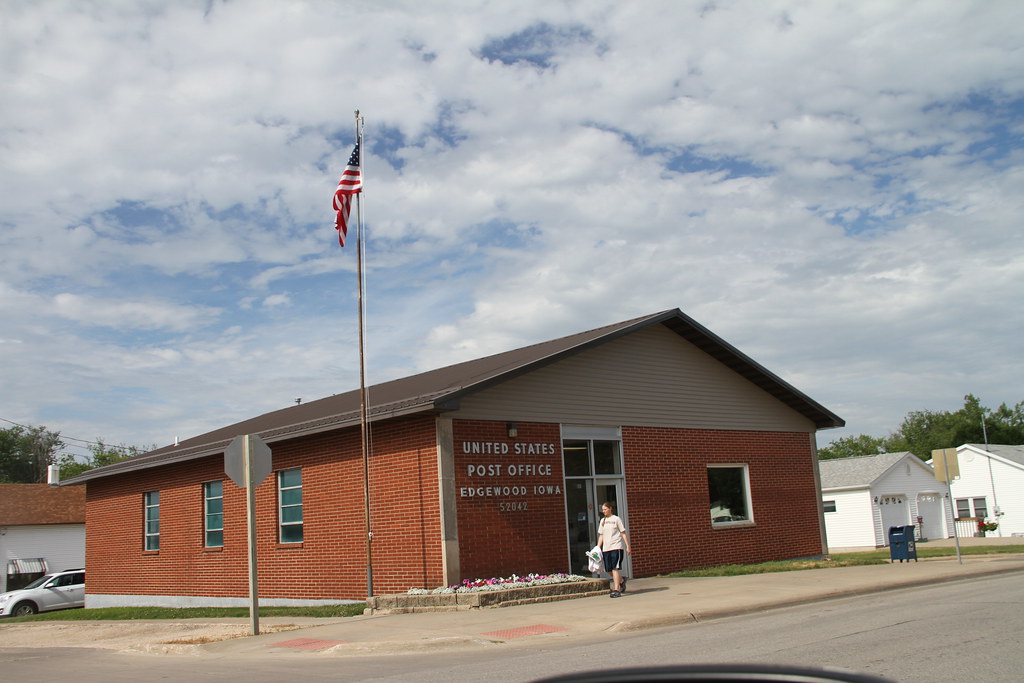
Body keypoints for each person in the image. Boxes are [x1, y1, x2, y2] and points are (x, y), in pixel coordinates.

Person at [597, 501, 631, 598]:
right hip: (606, 548)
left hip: (616, 547)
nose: (603, 511)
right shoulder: (603, 521)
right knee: (608, 569)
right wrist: (598, 548)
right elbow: (601, 535)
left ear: (610, 508)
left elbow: (623, 533)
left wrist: (628, 546)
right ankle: (621, 580)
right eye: (602, 510)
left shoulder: (616, 519)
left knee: (614, 568)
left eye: (605, 509)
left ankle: (617, 589)